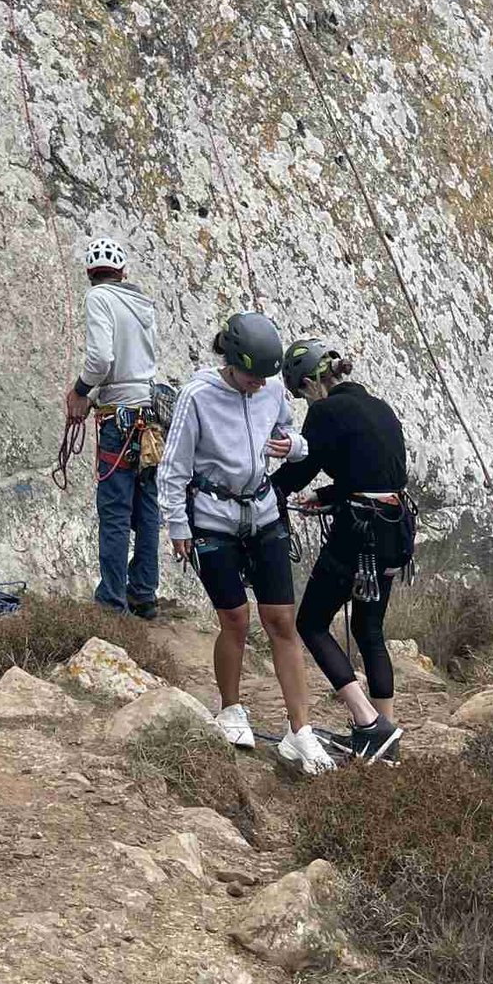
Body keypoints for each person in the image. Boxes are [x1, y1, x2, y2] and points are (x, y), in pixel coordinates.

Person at [156, 311, 334, 775]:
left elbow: (292, 438)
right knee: (234, 618)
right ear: (232, 362)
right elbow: (173, 468)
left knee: (281, 621)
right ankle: (231, 708)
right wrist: (178, 527)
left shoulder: (271, 387)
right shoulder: (198, 396)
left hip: (263, 511)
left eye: (265, 379)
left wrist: (291, 447)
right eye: (252, 377)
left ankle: (301, 733)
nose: (258, 386)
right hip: (212, 517)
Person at [277, 339, 412, 763]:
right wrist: (330, 495)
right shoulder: (379, 406)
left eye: (300, 393)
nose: (302, 401)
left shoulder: (325, 411)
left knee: (311, 622)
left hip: (360, 533)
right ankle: (383, 737)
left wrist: (268, 492)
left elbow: (298, 469)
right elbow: (380, 470)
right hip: (396, 528)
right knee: (369, 629)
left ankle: (369, 723)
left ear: (308, 382)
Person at [62, 235, 161, 618]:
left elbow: (101, 359)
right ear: (122, 272)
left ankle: (111, 600)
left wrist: (80, 391)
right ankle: (144, 593)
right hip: (148, 416)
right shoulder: (143, 304)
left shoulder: (98, 297)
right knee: (146, 507)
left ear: (90, 274)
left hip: (118, 417)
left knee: (117, 510)